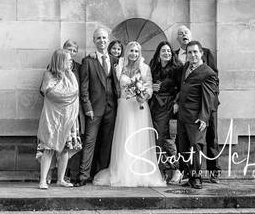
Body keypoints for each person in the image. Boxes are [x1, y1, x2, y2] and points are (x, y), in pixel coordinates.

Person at [92, 41, 165, 187]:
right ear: (127, 52)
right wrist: (93, 54)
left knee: (140, 138)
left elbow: (149, 87)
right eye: (131, 51)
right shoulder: (119, 66)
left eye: (136, 51)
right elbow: (104, 60)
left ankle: (140, 171)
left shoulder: (145, 68)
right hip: (125, 107)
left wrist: (145, 95)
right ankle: (123, 172)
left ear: (140, 53)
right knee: (125, 136)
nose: (134, 54)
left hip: (139, 107)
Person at [174, 26, 219, 180]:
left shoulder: (208, 73)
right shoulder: (186, 66)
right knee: (184, 147)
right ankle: (188, 175)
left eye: (195, 52)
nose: (192, 55)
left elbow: (208, 97)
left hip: (196, 116)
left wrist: (204, 118)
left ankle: (197, 178)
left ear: (201, 53)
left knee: (196, 147)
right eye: (190, 52)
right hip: (183, 115)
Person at [76, 27, 118, 186]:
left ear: (108, 41)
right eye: (98, 38)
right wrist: (87, 107)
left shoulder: (115, 60)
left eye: (104, 38)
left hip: (112, 108)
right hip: (94, 108)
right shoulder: (88, 61)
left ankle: (100, 174)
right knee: (89, 141)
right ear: (94, 41)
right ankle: (83, 176)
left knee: (107, 142)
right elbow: (84, 87)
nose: (102, 41)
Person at [37, 48, 81, 189]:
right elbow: (52, 93)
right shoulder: (49, 75)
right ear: (60, 61)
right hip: (53, 118)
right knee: (48, 148)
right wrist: (69, 93)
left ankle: (61, 179)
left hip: (69, 117)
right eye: (68, 60)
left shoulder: (71, 76)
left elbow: (74, 92)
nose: (70, 62)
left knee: (65, 150)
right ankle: (43, 180)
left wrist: (69, 93)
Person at [149, 41, 182, 183]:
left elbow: (182, 87)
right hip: (154, 105)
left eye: (169, 51)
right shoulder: (153, 67)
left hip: (168, 105)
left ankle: (176, 170)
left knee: (165, 137)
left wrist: (177, 102)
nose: (167, 53)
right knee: (156, 139)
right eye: (163, 51)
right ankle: (161, 171)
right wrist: (151, 87)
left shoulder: (177, 67)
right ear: (158, 54)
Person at [62, 39, 84, 184]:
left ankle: (73, 174)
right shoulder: (55, 65)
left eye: (74, 50)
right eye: (69, 49)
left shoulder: (79, 67)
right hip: (60, 109)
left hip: (76, 109)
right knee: (60, 141)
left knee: (75, 140)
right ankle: (57, 175)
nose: (72, 52)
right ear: (64, 49)